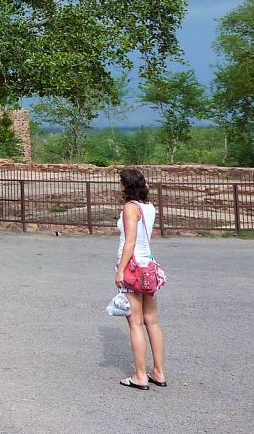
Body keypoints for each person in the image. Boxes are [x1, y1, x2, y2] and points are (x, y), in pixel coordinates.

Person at [115, 167, 167, 391]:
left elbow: (130, 241)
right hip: (148, 265)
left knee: (135, 322)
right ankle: (158, 371)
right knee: (152, 321)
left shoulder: (130, 208)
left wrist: (121, 271)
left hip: (133, 266)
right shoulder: (149, 207)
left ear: (126, 186)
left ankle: (140, 376)